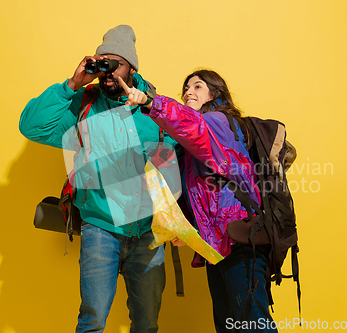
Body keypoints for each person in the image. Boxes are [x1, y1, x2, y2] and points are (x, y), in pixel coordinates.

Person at [19, 25, 180, 333]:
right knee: (91, 320)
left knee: (147, 324)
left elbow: (174, 160)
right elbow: (32, 127)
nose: (107, 72)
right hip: (100, 228)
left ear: (131, 68)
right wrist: (72, 84)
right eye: (100, 63)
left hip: (148, 230)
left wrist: (175, 219)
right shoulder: (84, 106)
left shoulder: (153, 107)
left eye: (114, 64)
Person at [119, 70, 278, 332]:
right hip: (218, 242)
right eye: (186, 87)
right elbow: (200, 190)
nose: (188, 92)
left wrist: (150, 101)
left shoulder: (217, 122)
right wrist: (186, 226)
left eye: (198, 86)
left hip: (238, 238)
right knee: (230, 324)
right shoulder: (197, 142)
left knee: (252, 323)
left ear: (214, 94)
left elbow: (190, 126)